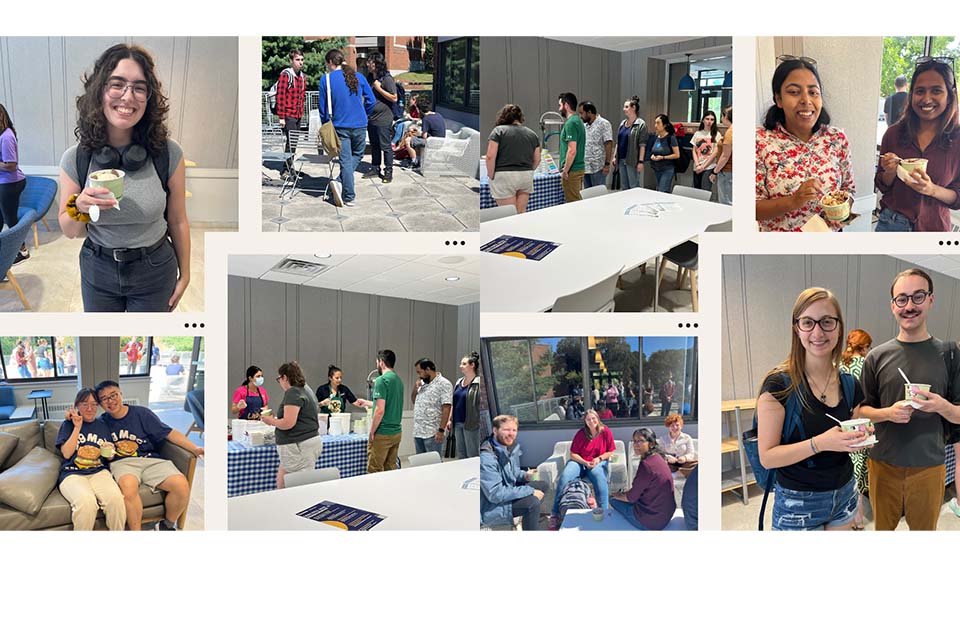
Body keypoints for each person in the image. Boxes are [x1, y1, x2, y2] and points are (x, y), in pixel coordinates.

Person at [58, 43, 190, 312]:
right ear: (99, 90)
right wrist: (80, 207)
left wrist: (186, 274)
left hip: (155, 269)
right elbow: (70, 231)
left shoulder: (168, 154)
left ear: (148, 98)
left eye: (139, 88)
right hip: (98, 268)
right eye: (117, 84)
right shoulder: (76, 158)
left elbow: (177, 220)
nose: (128, 97)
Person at [756, 287, 867, 531]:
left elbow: (853, 434)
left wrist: (860, 438)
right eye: (808, 322)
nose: (818, 332)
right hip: (798, 502)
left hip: (845, 494)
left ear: (839, 328)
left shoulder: (850, 384)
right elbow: (767, 457)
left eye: (827, 322)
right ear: (797, 328)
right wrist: (821, 443)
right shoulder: (778, 385)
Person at [859, 268, 960, 530]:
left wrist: (941, 406)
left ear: (930, 300)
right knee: (883, 530)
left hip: (929, 465)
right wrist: (887, 414)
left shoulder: (950, 354)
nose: (909, 306)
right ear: (893, 305)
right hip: (882, 462)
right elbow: (860, 411)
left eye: (918, 297)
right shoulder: (876, 357)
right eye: (901, 299)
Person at [756, 57, 854, 231]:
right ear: (778, 99)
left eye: (813, 92)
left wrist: (842, 212)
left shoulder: (836, 139)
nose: (806, 100)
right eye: (794, 92)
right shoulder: (760, 141)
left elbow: (848, 189)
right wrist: (793, 201)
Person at [95, 379, 202, 530]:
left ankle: (167, 525)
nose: (110, 401)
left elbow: (169, 433)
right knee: (128, 489)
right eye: (104, 399)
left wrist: (194, 448)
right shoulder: (102, 422)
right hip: (123, 463)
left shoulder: (142, 413)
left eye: (113, 395)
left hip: (151, 459)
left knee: (181, 486)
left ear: (121, 394)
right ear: (100, 404)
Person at [875, 58, 960, 232]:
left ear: (950, 95)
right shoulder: (893, 134)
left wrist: (931, 189)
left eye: (936, 91)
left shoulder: (957, 139)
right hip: (891, 224)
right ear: (912, 94)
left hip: (934, 228)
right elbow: (881, 184)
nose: (926, 99)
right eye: (920, 91)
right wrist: (890, 171)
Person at [57, 388, 125, 531]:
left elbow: (110, 457)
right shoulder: (68, 424)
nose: (90, 408)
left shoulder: (102, 425)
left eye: (94, 404)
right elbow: (67, 454)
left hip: (99, 471)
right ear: (77, 405)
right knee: (87, 503)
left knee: (116, 500)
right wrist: (77, 427)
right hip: (72, 473)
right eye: (84, 404)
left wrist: (110, 452)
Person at [319, 49, 375, 207]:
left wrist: (325, 124)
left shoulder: (326, 80)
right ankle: (343, 187)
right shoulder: (359, 76)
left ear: (330, 62)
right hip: (360, 124)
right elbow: (371, 100)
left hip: (340, 125)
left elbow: (323, 108)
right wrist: (364, 113)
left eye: (327, 64)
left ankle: (346, 191)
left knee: (345, 161)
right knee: (357, 155)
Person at [260, 361, 321, 489]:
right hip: (306, 442)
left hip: (297, 445)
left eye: (279, 379)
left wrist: (270, 421)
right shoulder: (305, 389)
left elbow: (288, 423)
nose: (280, 382)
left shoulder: (293, 393)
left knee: (294, 486)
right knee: (282, 480)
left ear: (284, 377)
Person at [550, 409, 617, 523]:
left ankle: (603, 510)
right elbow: (573, 454)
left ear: (598, 418)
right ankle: (555, 513)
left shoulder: (605, 432)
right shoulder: (581, 433)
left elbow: (610, 451)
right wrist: (585, 463)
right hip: (581, 462)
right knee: (565, 476)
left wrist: (599, 458)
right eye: (588, 419)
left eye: (593, 418)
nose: (591, 421)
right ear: (585, 421)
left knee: (597, 475)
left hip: (598, 462)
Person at [480, 415, 544, 530]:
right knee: (532, 503)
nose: (511, 434)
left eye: (514, 430)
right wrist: (530, 490)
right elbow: (495, 494)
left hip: (507, 491)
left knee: (543, 485)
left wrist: (525, 476)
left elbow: (513, 472)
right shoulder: (486, 458)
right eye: (506, 430)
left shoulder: (506, 446)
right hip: (492, 506)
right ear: (495, 430)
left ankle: (528, 520)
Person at [840, 328, 873, 530]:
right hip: (861, 424)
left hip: (839, 425)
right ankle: (858, 520)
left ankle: (847, 517)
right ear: (865, 347)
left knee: (845, 472)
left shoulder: (838, 365)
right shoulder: (865, 365)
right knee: (859, 475)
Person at [610, 428, 676, 530]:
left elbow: (631, 498)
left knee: (613, 500)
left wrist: (616, 495)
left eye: (640, 441)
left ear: (651, 444)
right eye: (634, 441)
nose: (636, 444)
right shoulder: (659, 457)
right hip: (666, 514)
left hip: (652, 522)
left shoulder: (646, 465)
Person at [486, 104, 541, 213]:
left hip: (504, 176)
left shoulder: (498, 131)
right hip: (526, 176)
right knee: (521, 212)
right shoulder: (532, 134)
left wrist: (491, 174)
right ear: (520, 117)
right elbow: (537, 159)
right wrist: (529, 169)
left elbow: (490, 156)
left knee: (508, 214)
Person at [0, 102, 29, 264]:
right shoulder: (2, 135)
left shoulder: (6, 137)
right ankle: (5, 248)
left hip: (10, 183)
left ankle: (22, 251)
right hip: (4, 183)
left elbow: (11, 165)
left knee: (10, 218)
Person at [364, 52, 398, 184]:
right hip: (371, 118)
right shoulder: (369, 78)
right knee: (374, 145)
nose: (367, 64)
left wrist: (378, 88)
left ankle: (388, 171)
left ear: (376, 63)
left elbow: (394, 98)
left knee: (385, 146)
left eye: (370, 61)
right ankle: (375, 167)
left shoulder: (387, 79)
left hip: (384, 118)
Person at [368, 349, 404, 473]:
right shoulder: (399, 381)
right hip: (396, 432)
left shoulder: (381, 380)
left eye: (377, 362)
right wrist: (368, 403)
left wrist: (372, 431)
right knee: (391, 467)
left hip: (383, 432)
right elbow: (389, 404)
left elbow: (379, 410)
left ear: (381, 362)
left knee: (375, 469)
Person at [411, 358, 453, 457]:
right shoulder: (422, 384)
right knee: (420, 464)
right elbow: (414, 401)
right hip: (418, 431)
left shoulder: (444, 384)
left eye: (419, 372)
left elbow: (446, 407)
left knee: (434, 464)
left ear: (428, 369)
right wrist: (415, 388)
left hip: (432, 433)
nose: (418, 375)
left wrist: (441, 430)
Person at [448, 351, 484, 459]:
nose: (461, 366)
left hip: (471, 424)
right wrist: (450, 419)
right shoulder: (459, 382)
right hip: (458, 422)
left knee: (472, 455)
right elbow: (454, 402)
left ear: (472, 365)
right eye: (461, 363)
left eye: (464, 364)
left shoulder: (478, 383)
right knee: (461, 454)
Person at [276, 49, 306, 176]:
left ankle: (289, 167)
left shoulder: (302, 77)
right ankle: (286, 169)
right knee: (291, 141)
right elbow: (280, 96)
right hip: (288, 115)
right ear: (291, 61)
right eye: (297, 60)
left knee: (293, 142)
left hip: (298, 115)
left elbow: (302, 96)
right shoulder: (286, 75)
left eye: (302, 60)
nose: (300, 62)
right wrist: (281, 117)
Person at [557, 92, 586, 202]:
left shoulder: (571, 123)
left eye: (560, 105)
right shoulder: (578, 121)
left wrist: (565, 171)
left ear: (566, 105)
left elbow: (572, 150)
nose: (559, 109)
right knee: (576, 200)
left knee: (573, 203)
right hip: (578, 169)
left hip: (572, 171)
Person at [402, 96, 445, 170]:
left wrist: (417, 132)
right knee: (416, 140)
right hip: (441, 141)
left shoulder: (426, 118)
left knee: (408, 140)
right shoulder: (438, 115)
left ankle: (414, 162)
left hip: (432, 142)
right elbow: (433, 126)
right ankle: (418, 160)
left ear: (420, 110)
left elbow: (424, 136)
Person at [578, 101, 613, 189]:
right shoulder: (584, 125)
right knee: (588, 196)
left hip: (598, 168)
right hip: (586, 167)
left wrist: (607, 164)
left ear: (589, 112)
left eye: (582, 113)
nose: (580, 116)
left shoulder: (604, 124)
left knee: (598, 196)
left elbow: (608, 144)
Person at [615, 96, 647, 191]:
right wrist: (615, 156)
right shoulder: (622, 123)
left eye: (626, 107)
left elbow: (642, 145)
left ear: (633, 108)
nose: (624, 109)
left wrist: (640, 161)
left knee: (634, 186)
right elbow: (618, 141)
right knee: (624, 186)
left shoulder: (641, 124)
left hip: (632, 160)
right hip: (621, 159)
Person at [691, 110, 721, 191]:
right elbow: (694, 150)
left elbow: (715, 153)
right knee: (696, 190)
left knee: (705, 191)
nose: (709, 121)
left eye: (712, 119)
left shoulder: (717, 134)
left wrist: (703, 167)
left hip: (709, 167)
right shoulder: (697, 133)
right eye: (707, 119)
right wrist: (697, 165)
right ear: (703, 120)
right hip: (697, 167)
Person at [649, 114, 680, 193]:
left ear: (665, 125)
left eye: (658, 123)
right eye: (655, 123)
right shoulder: (656, 137)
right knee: (659, 189)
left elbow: (677, 155)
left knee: (662, 191)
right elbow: (653, 151)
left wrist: (663, 157)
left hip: (667, 169)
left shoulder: (671, 137)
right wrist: (653, 156)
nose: (656, 125)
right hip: (656, 168)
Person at [711, 106, 734, 205]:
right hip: (730, 171)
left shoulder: (730, 133)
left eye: (722, 116)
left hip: (727, 171)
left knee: (726, 202)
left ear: (726, 117)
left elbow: (725, 156)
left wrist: (715, 171)